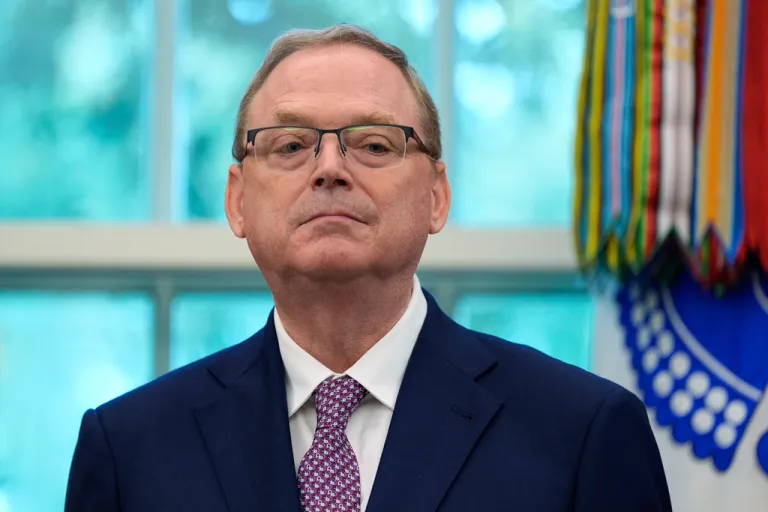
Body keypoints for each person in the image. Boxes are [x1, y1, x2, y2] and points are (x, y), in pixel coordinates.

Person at [65, 24, 672, 512]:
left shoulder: (582, 433)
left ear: (437, 196)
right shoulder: (130, 450)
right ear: (237, 200)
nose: (330, 168)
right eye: (291, 145)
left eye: (375, 144)